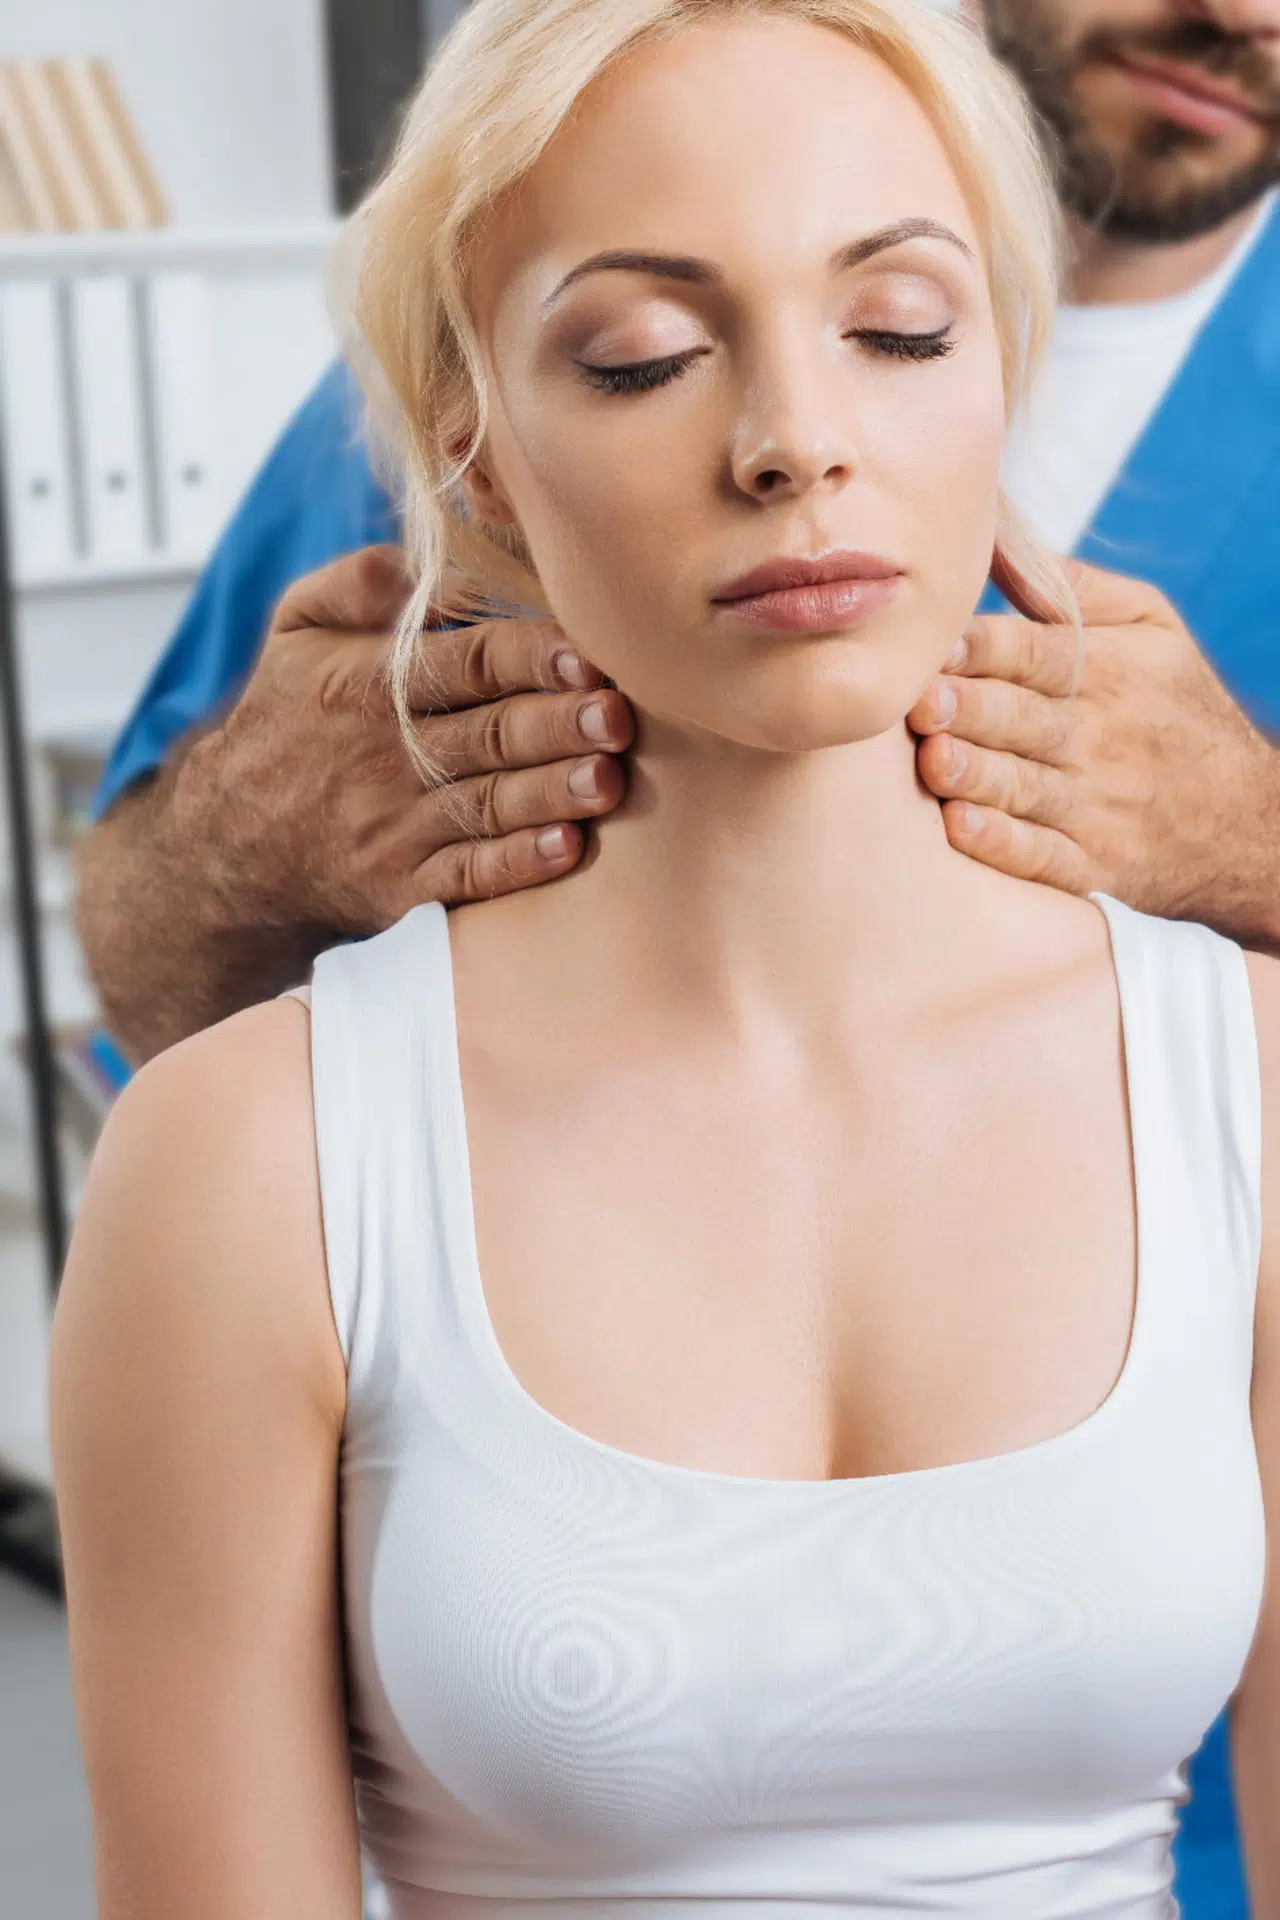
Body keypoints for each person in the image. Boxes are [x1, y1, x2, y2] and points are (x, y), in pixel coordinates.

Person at [49, 0, 1280, 1913]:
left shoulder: (1243, 1084)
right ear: (473, 469)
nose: (800, 442)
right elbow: (143, 909)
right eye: (638, 360)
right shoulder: (250, 1162)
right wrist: (252, 851)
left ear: (1002, 370)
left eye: (901, 332)